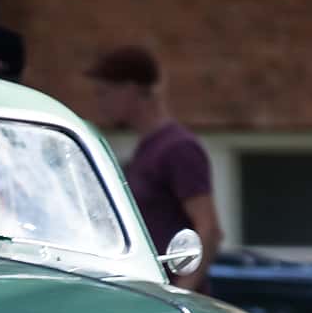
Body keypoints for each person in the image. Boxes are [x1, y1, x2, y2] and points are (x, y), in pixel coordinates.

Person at [87, 45, 221, 291]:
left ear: (131, 89)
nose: (99, 103)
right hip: (145, 295)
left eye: (103, 93)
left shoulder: (179, 148)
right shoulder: (145, 149)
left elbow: (209, 230)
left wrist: (180, 295)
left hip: (168, 303)